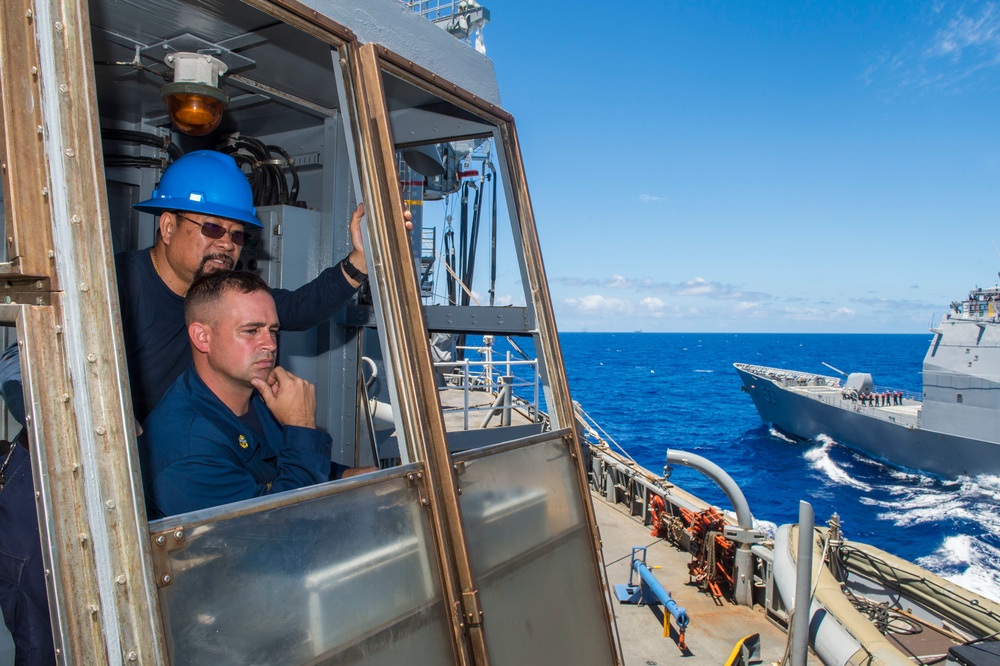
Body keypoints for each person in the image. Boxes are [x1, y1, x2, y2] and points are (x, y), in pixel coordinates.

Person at [0, 149, 406, 662]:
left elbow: (296, 307)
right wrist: (97, 418)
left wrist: (361, 262)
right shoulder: (106, 288)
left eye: (238, 235)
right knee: (55, 640)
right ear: (167, 226)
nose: (228, 245)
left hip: (134, 480)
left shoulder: (213, 299)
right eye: (212, 229)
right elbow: (17, 367)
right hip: (49, 488)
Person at [140, 271, 335, 518]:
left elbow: (283, 466)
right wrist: (302, 426)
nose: (271, 345)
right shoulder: (187, 450)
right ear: (203, 338)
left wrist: (341, 476)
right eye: (251, 331)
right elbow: (284, 528)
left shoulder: (258, 399)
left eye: (272, 330)